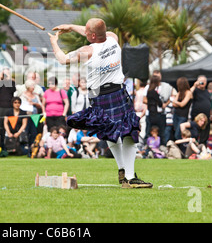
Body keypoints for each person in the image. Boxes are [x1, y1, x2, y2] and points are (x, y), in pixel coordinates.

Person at [49, 18, 152, 188]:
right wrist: (71, 27)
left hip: (99, 97)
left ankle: (126, 174)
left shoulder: (87, 51)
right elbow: (92, 31)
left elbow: (62, 59)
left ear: (92, 36)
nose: (86, 34)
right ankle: (128, 175)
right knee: (126, 133)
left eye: (87, 33)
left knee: (115, 133)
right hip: (118, 93)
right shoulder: (112, 38)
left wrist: (54, 42)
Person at [0, 68, 16, 142]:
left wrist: (9, 78)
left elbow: (13, 90)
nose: (5, 76)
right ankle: (0, 142)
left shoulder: (12, 82)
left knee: (10, 126)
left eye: (7, 74)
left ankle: (11, 143)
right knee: (0, 127)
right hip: (0, 108)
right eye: (4, 74)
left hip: (9, 108)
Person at [190, 75, 212, 144]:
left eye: (204, 81)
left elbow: (209, 103)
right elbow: (188, 94)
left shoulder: (206, 92)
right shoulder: (195, 90)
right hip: (197, 116)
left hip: (206, 116)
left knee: (205, 134)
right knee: (196, 132)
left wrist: (211, 115)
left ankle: (203, 146)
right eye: (201, 81)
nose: (203, 83)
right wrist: (194, 85)